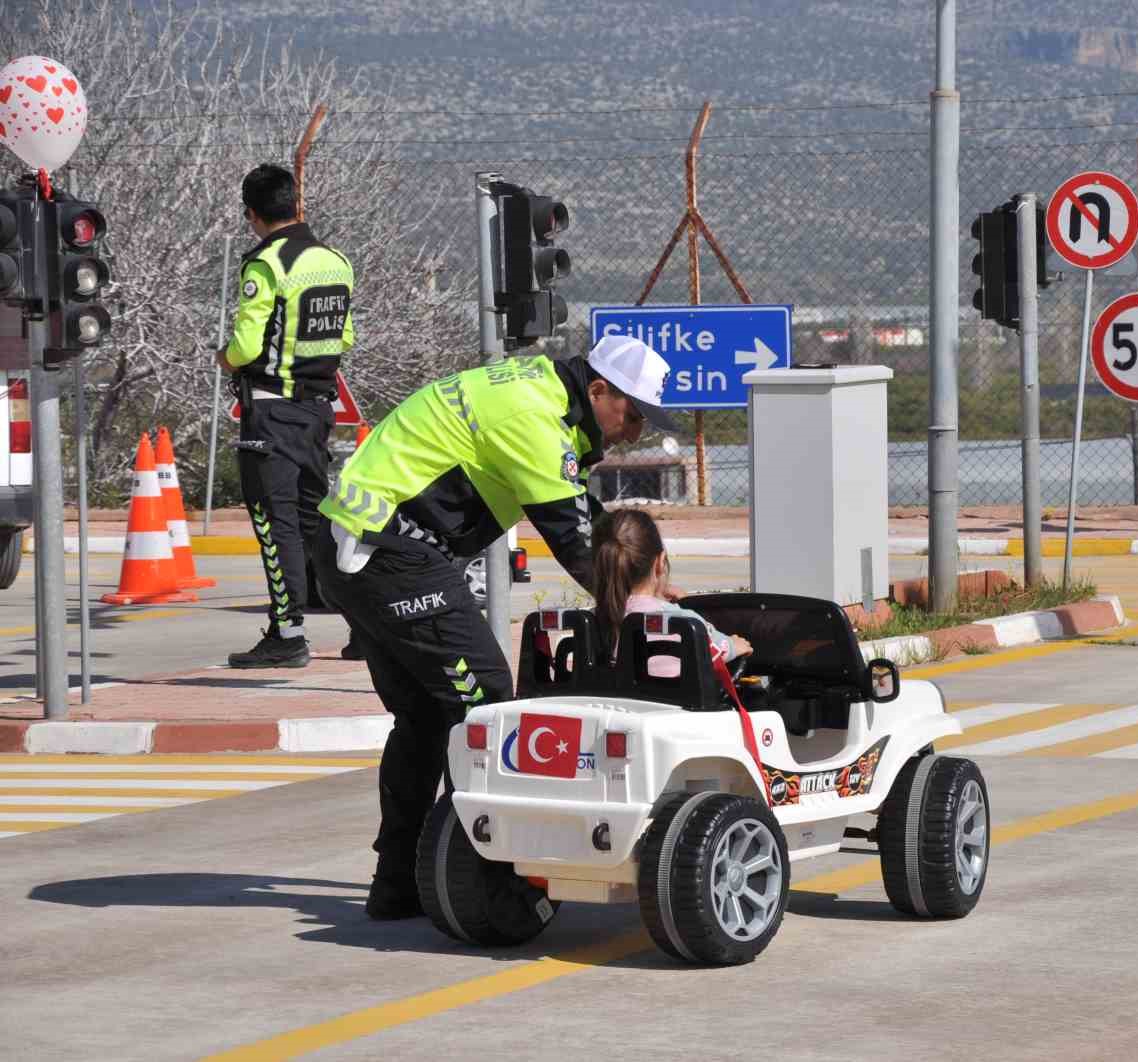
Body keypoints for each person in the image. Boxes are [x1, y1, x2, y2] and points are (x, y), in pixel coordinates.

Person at [308, 333, 682, 919]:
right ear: (599, 389)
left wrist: (652, 587)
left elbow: (583, 514)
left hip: (359, 551)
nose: (633, 433)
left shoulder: (538, 391)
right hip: (390, 555)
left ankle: (401, 880)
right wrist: (648, 613)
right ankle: (477, 879)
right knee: (488, 704)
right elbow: (580, 547)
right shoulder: (533, 417)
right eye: (632, 415)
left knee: (430, 715)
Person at [218, 163, 356, 669]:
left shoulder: (266, 265)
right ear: (295, 205)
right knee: (318, 524)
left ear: (251, 214)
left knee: (276, 526)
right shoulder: (335, 260)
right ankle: (365, 625)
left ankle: (287, 634)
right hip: (318, 410)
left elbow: (247, 344)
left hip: (271, 412)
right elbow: (345, 337)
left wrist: (227, 358)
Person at [592, 507, 751, 677]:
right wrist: (736, 645)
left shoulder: (592, 622)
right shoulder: (685, 623)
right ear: (659, 563)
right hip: (672, 701)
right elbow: (722, 649)